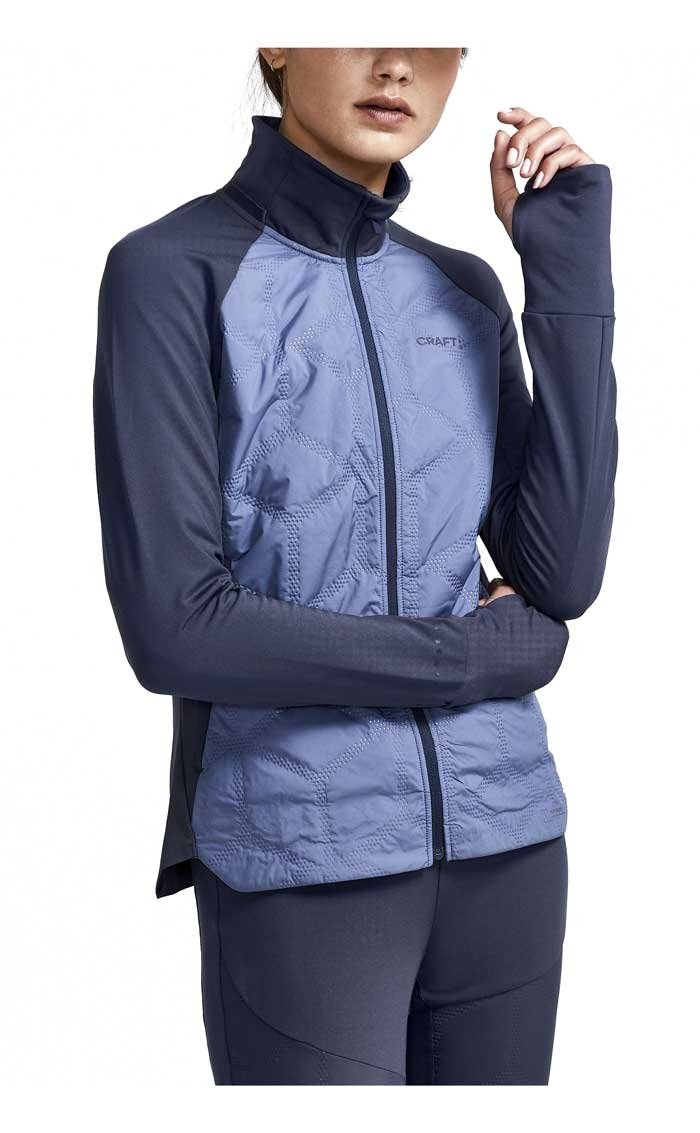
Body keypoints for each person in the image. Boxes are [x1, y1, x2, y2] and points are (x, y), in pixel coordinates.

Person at [92, 47, 617, 1085]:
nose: (396, 65)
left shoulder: (460, 289)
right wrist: (473, 657)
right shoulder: (173, 270)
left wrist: (566, 275)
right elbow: (179, 627)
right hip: (299, 856)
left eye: (431, 36)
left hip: (511, 840)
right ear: (278, 41)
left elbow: (561, 575)